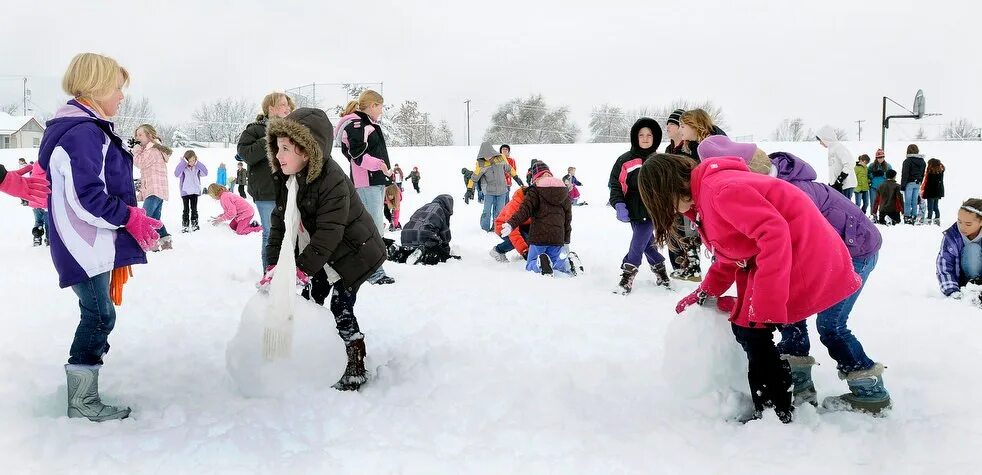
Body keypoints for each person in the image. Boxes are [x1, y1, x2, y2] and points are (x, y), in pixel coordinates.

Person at [638, 153, 861, 423]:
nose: (671, 211)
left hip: (803, 255)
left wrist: (765, 304)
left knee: (754, 331)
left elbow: (774, 233)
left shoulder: (719, 192)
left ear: (670, 188)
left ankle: (774, 412)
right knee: (747, 329)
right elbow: (730, 253)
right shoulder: (705, 198)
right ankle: (777, 401)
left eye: (664, 203)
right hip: (779, 258)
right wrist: (705, 293)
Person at [699, 136, 891, 414]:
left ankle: (870, 392)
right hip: (822, 255)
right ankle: (799, 382)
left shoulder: (791, 190)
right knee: (791, 316)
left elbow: (793, 238)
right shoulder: (763, 185)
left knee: (831, 325)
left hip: (856, 250)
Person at [39, 52, 163, 422]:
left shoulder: (84, 128)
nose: (122, 97)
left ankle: (83, 393)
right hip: (83, 242)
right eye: (117, 88)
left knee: (97, 312)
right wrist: (130, 217)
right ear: (95, 88)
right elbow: (85, 195)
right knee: (98, 315)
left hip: (87, 240)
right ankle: (81, 400)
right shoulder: (83, 133)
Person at [264, 107, 386, 391]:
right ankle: (317, 355)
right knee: (310, 301)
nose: (279, 155)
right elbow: (280, 225)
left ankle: (355, 363)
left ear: (306, 152)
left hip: (354, 252)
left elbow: (330, 233)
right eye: (277, 148)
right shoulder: (288, 178)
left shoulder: (331, 180)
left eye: (285, 149)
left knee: (340, 307)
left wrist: (301, 269)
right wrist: (273, 265)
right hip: (323, 254)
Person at [335, 89, 395, 285]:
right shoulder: (358, 124)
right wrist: (380, 165)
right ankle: (374, 271)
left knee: (374, 226)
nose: (382, 111)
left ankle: (369, 267)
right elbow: (357, 156)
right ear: (372, 105)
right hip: (367, 182)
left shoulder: (367, 124)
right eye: (381, 106)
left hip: (375, 181)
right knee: (372, 228)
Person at [608, 118, 670, 294]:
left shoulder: (660, 160)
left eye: (649, 135)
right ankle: (660, 269)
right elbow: (615, 185)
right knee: (646, 242)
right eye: (641, 135)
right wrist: (618, 204)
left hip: (653, 208)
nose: (645, 138)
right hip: (633, 208)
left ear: (655, 137)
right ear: (635, 137)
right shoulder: (625, 160)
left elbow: (667, 187)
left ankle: (628, 275)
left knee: (639, 240)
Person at [237, 92, 296, 268]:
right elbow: (245, 154)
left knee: (290, 234)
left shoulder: (292, 130)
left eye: (288, 105)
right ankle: (269, 274)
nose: (288, 108)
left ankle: (288, 273)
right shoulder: (254, 129)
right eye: (283, 104)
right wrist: (269, 138)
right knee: (271, 233)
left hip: (289, 190)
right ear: (271, 108)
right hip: (266, 192)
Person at [501, 161, 579, 276]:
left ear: (536, 178)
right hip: (558, 237)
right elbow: (568, 219)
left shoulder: (535, 190)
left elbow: (524, 211)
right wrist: (566, 240)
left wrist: (511, 224)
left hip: (539, 237)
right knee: (555, 262)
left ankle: (539, 265)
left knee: (530, 264)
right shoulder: (563, 191)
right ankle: (568, 263)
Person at [131, 124, 173, 251]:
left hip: (155, 189)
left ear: (149, 136)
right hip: (155, 189)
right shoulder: (151, 149)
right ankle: (166, 242)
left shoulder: (153, 150)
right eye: (136, 135)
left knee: (144, 218)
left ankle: (150, 244)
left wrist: (136, 150)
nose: (137, 138)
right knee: (154, 219)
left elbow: (139, 162)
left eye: (140, 135)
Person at [937, 199, 982, 303]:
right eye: (959, 221)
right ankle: (974, 287)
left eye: (968, 224)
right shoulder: (952, 236)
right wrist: (952, 291)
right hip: (965, 283)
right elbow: (944, 265)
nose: (962, 227)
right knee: (972, 249)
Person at [394, 194, 459, 265]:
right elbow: (445, 234)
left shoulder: (424, 206)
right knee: (437, 253)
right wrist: (445, 250)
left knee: (408, 251)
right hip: (424, 237)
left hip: (405, 236)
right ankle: (423, 252)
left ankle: (399, 252)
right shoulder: (442, 211)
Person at [468, 142, 512, 232]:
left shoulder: (500, 159)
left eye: (488, 155)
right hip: (489, 192)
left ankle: (497, 228)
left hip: (502, 191)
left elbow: (509, 169)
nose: (486, 157)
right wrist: (469, 189)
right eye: (484, 155)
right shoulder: (481, 164)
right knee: (486, 211)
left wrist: (517, 178)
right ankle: (484, 229)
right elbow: (474, 177)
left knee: (499, 212)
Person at [490, 186, 531, 262]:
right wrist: (524, 251)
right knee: (516, 240)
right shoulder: (515, 206)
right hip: (503, 226)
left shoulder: (535, 204)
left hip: (522, 225)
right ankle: (498, 250)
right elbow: (513, 233)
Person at [815, 126, 857, 199]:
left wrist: (840, 179)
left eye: (820, 140)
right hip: (837, 185)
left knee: (844, 208)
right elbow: (834, 168)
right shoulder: (831, 149)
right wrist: (832, 183)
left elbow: (850, 163)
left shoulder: (839, 147)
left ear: (826, 138)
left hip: (846, 185)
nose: (820, 143)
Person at [174, 150, 208, 233]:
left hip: (195, 191)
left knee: (194, 209)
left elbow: (205, 173)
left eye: (193, 160)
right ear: (186, 160)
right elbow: (176, 174)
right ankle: (185, 225)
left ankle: (195, 224)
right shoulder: (183, 168)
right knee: (186, 210)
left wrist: (197, 163)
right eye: (189, 161)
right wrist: (183, 162)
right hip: (185, 192)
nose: (192, 162)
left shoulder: (197, 168)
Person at [900, 144, 926, 225]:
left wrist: (902, 186)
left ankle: (907, 217)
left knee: (907, 201)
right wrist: (920, 180)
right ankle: (914, 216)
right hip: (917, 183)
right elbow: (922, 173)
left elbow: (905, 174)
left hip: (909, 183)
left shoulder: (907, 161)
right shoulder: (922, 161)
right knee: (914, 201)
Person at [868, 149, 891, 217]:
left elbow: (891, 175)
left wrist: (883, 174)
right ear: (876, 158)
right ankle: (873, 215)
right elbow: (868, 175)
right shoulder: (872, 165)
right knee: (873, 202)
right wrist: (873, 174)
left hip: (884, 187)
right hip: (873, 187)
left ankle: (882, 216)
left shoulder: (888, 166)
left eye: (882, 157)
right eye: (879, 157)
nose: (880, 159)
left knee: (883, 202)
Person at [921, 158, 945, 226]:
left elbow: (929, 184)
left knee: (930, 207)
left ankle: (929, 219)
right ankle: (937, 219)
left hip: (931, 193)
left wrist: (924, 191)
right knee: (936, 207)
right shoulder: (940, 171)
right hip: (938, 193)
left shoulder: (931, 173)